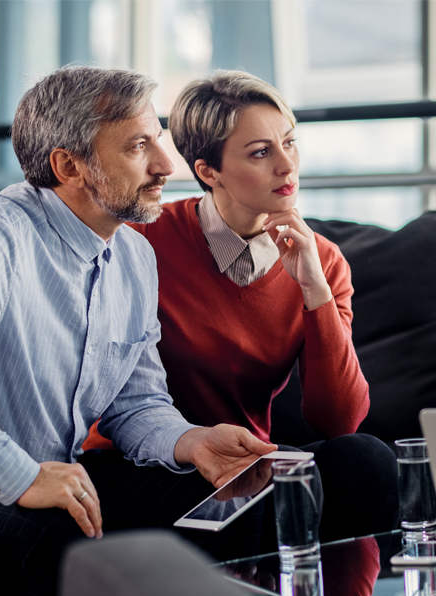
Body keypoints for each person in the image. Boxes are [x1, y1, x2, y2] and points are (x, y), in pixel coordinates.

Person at [0, 67, 280, 596]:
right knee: (60, 537)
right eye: (137, 147)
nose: (165, 165)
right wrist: (17, 476)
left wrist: (191, 440)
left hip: (60, 472)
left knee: (231, 504)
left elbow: (137, 404)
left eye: (159, 140)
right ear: (69, 165)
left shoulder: (134, 256)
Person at [83, 70, 398, 541]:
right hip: (140, 460)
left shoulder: (324, 260)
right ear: (208, 171)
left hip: (245, 460)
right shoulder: (142, 241)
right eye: (260, 153)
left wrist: (315, 290)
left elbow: (340, 421)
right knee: (255, 511)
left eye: (289, 143)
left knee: (368, 462)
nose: (287, 167)